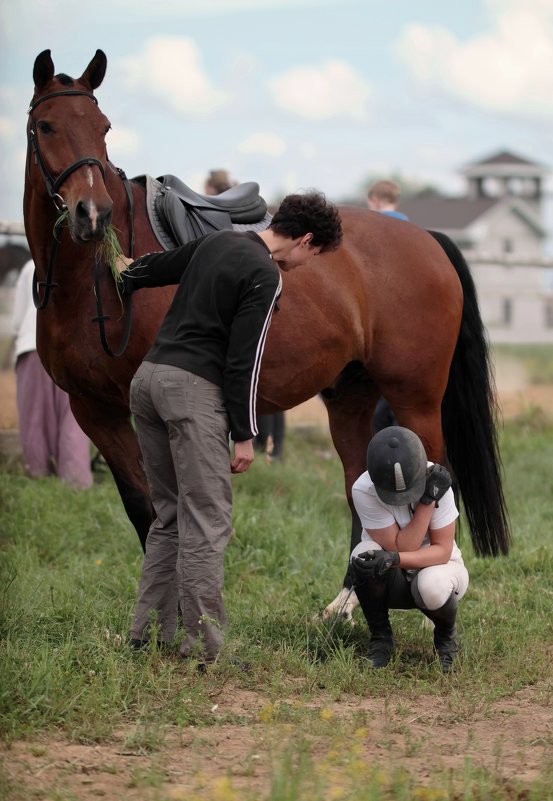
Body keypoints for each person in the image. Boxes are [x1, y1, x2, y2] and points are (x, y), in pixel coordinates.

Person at [116, 191, 343, 665]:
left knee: (170, 515)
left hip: (148, 381)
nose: (308, 263)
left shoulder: (218, 241)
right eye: (314, 254)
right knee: (206, 519)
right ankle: (203, 649)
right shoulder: (265, 274)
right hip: (191, 392)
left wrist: (124, 268)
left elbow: (154, 268)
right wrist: (245, 432)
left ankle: (146, 636)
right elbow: (246, 358)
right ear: (303, 240)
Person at [349, 426, 468, 673]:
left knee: (431, 584)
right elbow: (403, 545)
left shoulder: (437, 480)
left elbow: (442, 551)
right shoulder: (363, 489)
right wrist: (426, 503)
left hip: (440, 570)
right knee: (361, 556)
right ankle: (381, 639)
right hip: (391, 577)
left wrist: (429, 498)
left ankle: (446, 638)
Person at [11, 260, 93, 489]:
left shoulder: (31, 266)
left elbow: (18, 320)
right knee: (74, 417)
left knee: (35, 416)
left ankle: (39, 475)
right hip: (75, 349)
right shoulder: (80, 262)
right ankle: (76, 480)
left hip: (34, 346)